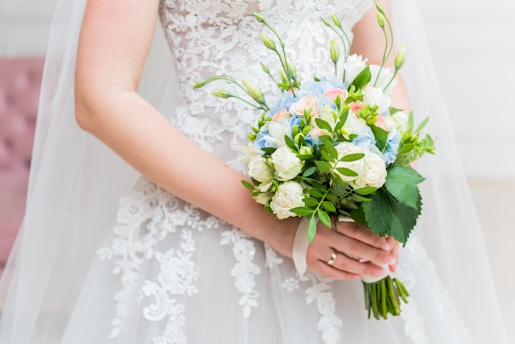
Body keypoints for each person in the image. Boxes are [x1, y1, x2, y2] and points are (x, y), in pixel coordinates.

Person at [0, 0, 509, 343]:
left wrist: (384, 202)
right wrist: (281, 226)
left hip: (349, 234)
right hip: (209, 235)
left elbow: (383, 73)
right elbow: (100, 96)